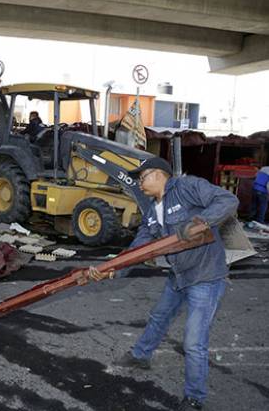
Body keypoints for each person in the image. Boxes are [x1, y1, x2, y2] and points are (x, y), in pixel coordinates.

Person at [88, 157, 238, 411]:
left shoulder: (186, 187)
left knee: (193, 341)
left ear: (159, 175)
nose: (140, 183)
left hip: (205, 276)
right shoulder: (151, 211)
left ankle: (194, 398)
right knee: (159, 316)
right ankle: (140, 357)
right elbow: (138, 249)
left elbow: (227, 200)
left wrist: (200, 222)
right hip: (179, 275)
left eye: (142, 177)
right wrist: (110, 271)